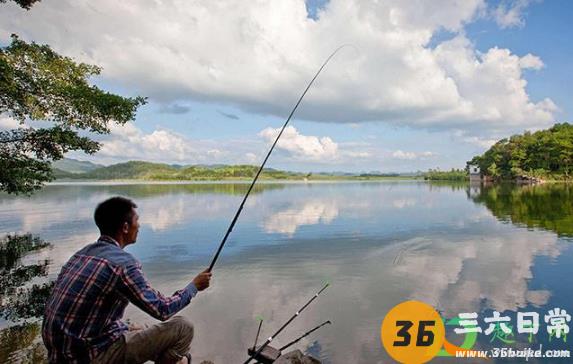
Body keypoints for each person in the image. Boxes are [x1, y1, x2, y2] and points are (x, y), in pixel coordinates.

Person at [42, 196, 212, 363]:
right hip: (89, 356)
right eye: (137, 220)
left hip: (61, 354)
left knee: (138, 327)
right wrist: (194, 286)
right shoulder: (123, 264)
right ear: (125, 227)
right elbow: (163, 309)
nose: (139, 225)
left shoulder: (81, 254)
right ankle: (178, 361)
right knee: (183, 327)